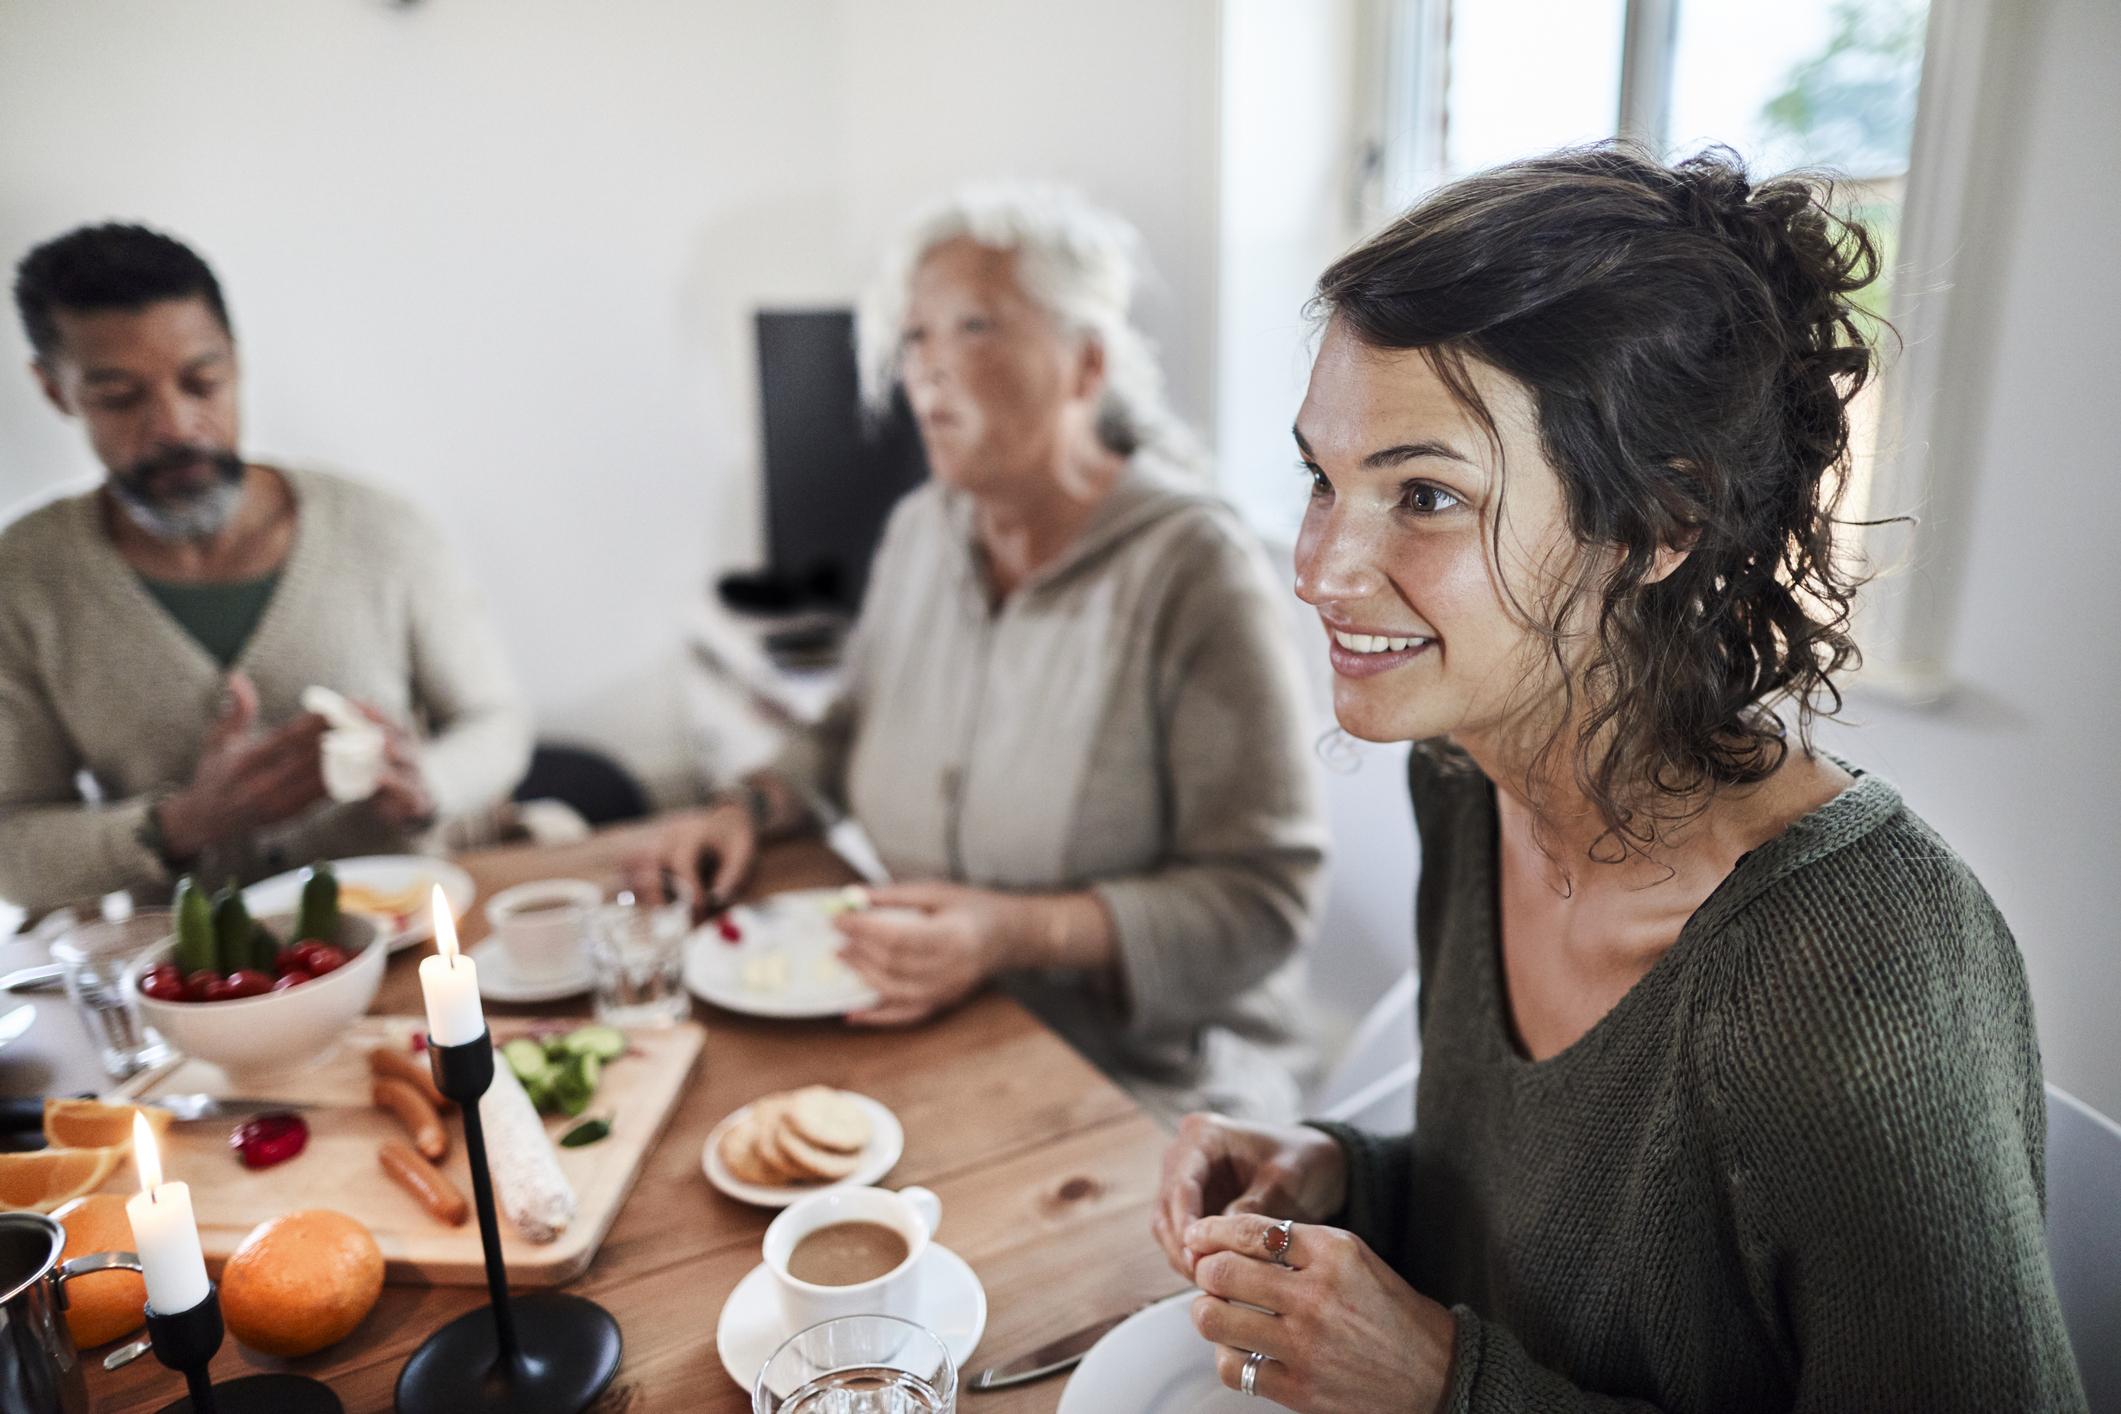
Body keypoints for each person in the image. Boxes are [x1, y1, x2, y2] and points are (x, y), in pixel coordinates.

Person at [1150, 146, 2086, 1410]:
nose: (1320, 567)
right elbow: (1553, 1249)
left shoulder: (1860, 970)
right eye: (1325, 478)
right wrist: (1344, 1173)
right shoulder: (1466, 775)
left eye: (1425, 495)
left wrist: (1446, 1385)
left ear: (1656, 524)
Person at [654, 184, 1326, 1121]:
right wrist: (746, 805)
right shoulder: (921, 531)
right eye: (915, 336)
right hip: (937, 1031)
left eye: (971, 327)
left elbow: (1262, 903)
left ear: (1085, 364)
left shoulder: (1191, 571)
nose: (923, 373)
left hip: (1142, 1088)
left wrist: (1015, 933)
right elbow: (852, 729)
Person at [0, 223, 532, 914]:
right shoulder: (25, 580)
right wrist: (183, 823)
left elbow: (495, 719)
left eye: (203, 380)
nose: (176, 425)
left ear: (238, 361)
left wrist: (427, 780)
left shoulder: (380, 531)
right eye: (121, 397)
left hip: (406, 933)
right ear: (54, 391)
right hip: (196, 978)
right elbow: (12, 843)